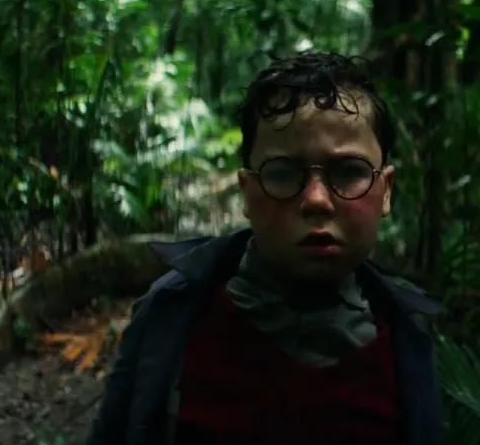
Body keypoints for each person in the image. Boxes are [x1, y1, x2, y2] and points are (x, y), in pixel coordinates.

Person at [87, 51, 442, 445]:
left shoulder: (409, 336)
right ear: (247, 191)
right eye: (283, 173)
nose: (316, 200)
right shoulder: (172, 315)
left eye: (349, 172)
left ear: (386, 190)